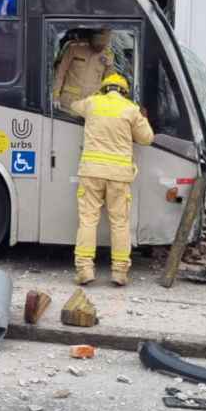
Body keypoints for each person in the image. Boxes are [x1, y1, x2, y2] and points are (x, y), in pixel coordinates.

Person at [68, 73, 154, 286]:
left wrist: (93, 95)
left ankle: (85, 269)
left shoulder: (92, 103)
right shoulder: (130, 109)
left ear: (104, 89)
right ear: (124, 92)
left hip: (91, 172)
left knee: (88, 219)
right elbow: (147, 138)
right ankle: (119, 272)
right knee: (119, 223)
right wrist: (142, 117)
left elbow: (72, 106)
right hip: (118, 175)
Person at [53, 28, 116, 112]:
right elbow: (60, 72)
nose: (100, 48)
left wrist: (109, 65)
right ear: (91, 39)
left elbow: (111, 81)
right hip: (70, 103)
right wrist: (55, 96)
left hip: (92, 106)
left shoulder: (107, 54)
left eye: (103, 45)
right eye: (97, 45)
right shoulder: (74, 47)